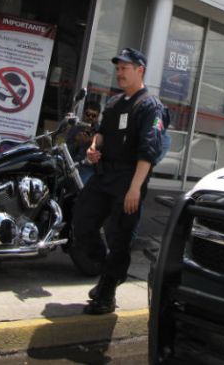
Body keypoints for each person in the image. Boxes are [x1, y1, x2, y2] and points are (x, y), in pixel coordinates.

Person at [72, 47, 166, 315]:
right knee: (81, 223)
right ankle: (108, 273)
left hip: (128, 179)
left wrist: (135, 188)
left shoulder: (150, 107)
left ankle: (107, 292)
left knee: (119, 236)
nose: (119, 73)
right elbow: (100, 134)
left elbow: (149, 151)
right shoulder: (113, 103)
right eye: (117, 68)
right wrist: (92, 147)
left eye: (125, 68)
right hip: (103, 175)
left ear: (140, 70)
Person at [65, 100, 101, 185]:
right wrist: (77, 143)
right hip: (71, 165)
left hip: (89, 168)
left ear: (98, 117)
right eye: (88, 114)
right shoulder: (75, 128)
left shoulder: (100, 131)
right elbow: (66, 151)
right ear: (84, 114)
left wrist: (91, 141)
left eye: (94, 115)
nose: (90, 117)